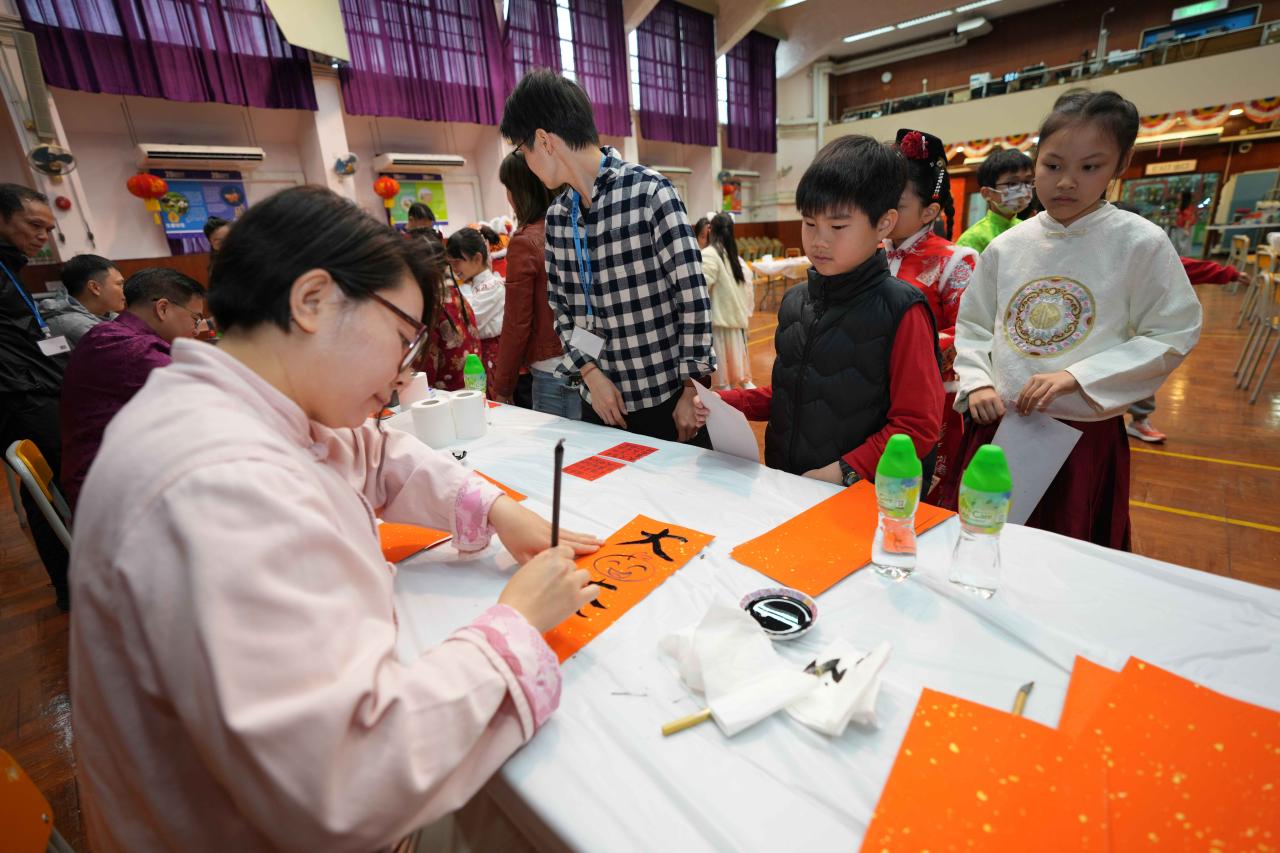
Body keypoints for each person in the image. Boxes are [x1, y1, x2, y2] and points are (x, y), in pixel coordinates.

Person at [69, 185, 602, 850]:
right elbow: (349, 775)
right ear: (312, 300)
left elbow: (374, 454)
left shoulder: (248, 402)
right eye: (402, 339)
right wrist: (516, 623)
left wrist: (494, 507)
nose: (405, 371)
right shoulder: (221, 486)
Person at [940, 90, 1203, 549]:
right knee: (983, 543)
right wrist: (978, 382)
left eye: (1089, 167)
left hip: (1081, 437)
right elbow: (976, 324)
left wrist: (1077, 377)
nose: (1066, 182)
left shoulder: (1138, 243)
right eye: (1053, 165)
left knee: (1066, 550)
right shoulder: (1008, 246)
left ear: (1120, 166)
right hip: (999, 425)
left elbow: (1172, 330)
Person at [694, 135, 945, 485]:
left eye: (838, 226)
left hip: (854, 496)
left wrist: (844, 471)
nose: (819, 241)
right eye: (810, 223)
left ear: (884, 223)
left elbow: (917, 426)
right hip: (791, 482)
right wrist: (726, 402)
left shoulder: (902, 309)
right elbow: (794, 393)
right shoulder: (796, 301)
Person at [500, 69, 714, 445]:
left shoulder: (650, 193)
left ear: (544, 141)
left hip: (666, 403)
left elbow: (693, 297)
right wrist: (590, 374)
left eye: (522, 150)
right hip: (599, 405)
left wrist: (691, 388)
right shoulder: (559, 217)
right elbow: (561, 309)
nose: (526, 162)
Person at [59, 268, 207, 509]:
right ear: (163, 308)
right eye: (196, 318)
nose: (196, 329)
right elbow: (202, 396)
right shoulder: (129, 348)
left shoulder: (109, 333)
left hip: (113, 471)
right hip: (110, 493)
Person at [885, 128, 977, 494]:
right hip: (873, 388)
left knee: (921, 486)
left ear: (930, 211)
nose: (886, 212)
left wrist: (903, 348)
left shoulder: (955, 260)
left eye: (898, 204)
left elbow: (968, 331)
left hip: (931, 394)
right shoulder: (871, 252)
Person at [0, 183, 69, 609]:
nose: (42, 236)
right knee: (51, 484)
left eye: (49, 229)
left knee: (47, 486)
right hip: (19, 398)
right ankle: (71, 584)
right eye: (34, 226)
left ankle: (71, 579)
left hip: (36, 390)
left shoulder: (10, 266)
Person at [493, 151, 573, 415]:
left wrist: (503, 386)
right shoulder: (575, 227)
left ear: (521, 190)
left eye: (508, 188)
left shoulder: (525, 242)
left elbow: (517, 322)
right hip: (592, 362)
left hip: (552, 369)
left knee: (559, 442)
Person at [410, 234, 482, 391]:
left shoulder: (430, 305)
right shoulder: (456, 294)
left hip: (447, 395)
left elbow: (424, 371)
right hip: (473, 388)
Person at [445, 227, 505, 389]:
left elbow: (468, 321)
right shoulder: (471, 285)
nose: (453, 268)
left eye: (457, 261)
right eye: (450, 263)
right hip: (477, 355)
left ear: (477, 258)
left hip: (489, 356)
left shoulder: (493, 286)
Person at [703, 213, 752, 390]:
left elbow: (702, 287)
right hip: (734, 325)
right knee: (732, 382)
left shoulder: (710, 254)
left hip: (719, 327)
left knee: (722, 386)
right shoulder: (732, 255)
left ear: (711, 230)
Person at [955, 148, 1035, 254]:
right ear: (987, 193)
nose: (1023, 190)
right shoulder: (972, 239)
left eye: (1027, 182)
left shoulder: (1028, 229)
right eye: (1012, 183)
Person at [38, 253, 125, 348]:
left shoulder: (105, 314)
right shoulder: (74, 324)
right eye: (119, 284)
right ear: (95, 287)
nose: (124, 289)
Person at [1171, 189, 1196, 256]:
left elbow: (1188, 218)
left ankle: (1184, 259)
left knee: (1184, 245)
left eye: (1180, 194)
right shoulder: (1181, 204)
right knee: (1178, 243)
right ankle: (1178, 258)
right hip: (1179, 226)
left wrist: (1186, 228)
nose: (1178, 195)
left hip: (1185, 227)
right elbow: (1179, 215)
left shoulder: (1188, 206)